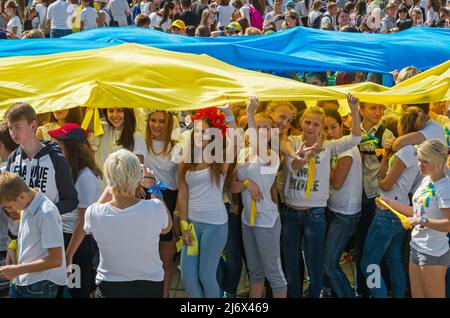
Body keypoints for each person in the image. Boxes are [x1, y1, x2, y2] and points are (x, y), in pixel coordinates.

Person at [281, 94, 362, 298]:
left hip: (315, 214)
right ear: (301, 122)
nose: (310, 127)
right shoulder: (291, 141)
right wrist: (305, 154)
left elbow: (355, 138)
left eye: (316, 124)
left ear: (321, 127)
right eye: (307, 122)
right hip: (290, 213)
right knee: (291, 267)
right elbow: (291, 166)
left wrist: (354, 110)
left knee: (315, 268)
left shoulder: (329, 146)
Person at [84, 149, 172, 298]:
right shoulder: (155, 207)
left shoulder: (94, 213)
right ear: (138, 177)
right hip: (149, 285)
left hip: (110, 286)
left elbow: (90, 225)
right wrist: (152, 185)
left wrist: (113, 182)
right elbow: (167, 228)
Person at [361, 107, 427, 298]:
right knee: (393, 258)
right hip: (400, 209)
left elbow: (386, 183)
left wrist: (381, 181)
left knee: (368, 263)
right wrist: (387, 157)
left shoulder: (405, 152)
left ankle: (379, 294)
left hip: (388, 209)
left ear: (401, 125)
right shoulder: (416, 151)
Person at [377, 139, 450, 298]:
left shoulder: (445, 187)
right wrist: (391, 204)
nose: (419, 165)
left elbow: (448, 225)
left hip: (434, 252)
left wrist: (420, 221)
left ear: (439, 162)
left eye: (425, 161)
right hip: (416, 247)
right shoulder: (426, 180)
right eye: (419, 159)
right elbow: (417, 212)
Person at [230, 97, 287, 298]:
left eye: (265, 128)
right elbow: (233, 186)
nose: (260, 131)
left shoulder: (272, 155)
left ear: (272, 133)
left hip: (266, 220)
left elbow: (257, 142)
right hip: (248, 220)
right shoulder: (243, 153)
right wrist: (246, 183)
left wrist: (251, 114)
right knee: (255, 273)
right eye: (256, 127)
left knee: (274, 273)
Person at [178, 107, 229, 298]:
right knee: (188, 277)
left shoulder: (221, 159)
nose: (200, 135)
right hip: (191, 225)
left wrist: (229, 113)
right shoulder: (185, 160)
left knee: (206, 276)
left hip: (215, 226)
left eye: (205, 132)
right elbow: (182, 194)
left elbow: (237, 140)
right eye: (197, 131)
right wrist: (184, 225)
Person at [47, 123, 103, 298]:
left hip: (76, 244)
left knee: (77, 291)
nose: (56, 147)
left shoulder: (85, 176)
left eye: (59, 144)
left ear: (71, 146)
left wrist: (68, 255)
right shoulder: (72, 170)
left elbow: (83, 221)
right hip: (64, 238)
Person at [0, 172, 67, 298]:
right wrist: (13, 247)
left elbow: (56, 260)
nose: (9, 211)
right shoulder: (26, 205)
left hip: (41, 286)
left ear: (21, 196)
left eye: (9, 206)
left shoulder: (46, 213)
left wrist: (17, 270)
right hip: (23, 281)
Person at [4, 103, 79, 216]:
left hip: (47, 231)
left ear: (33, 125)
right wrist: (9, 211)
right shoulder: (13, 158)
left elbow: (71, 201)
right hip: (17, 232)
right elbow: (7, 196)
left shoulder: (55, 158)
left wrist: (44, 213)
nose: (13, 133)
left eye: (17, 127)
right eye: (10, 128)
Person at [354, 99, 395, 298]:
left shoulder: (387, 134)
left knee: (375, 248)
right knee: (361, 244)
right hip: (355, 194)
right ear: (361, 109)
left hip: (376, 195)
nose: (378, 112)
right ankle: (363, 289)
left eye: (380, 108)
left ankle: (377, 289)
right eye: (373, 107)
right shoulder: (353, 131)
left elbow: (392, 168)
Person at [323, 108, 362, 298]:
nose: (329, 132)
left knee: (329, 264)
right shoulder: (335, 147)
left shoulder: (346, 149)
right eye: (325, 128)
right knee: (327, 261)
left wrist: (325, 161)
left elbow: (337, 182)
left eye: (333, 127)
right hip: (334, 209)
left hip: (344, 214)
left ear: (341, 127)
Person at [144, 110, 181, 298]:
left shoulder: (177, 147)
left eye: (162, 121)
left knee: (165, 259)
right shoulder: (141, 143)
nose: (156, 125)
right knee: (145, 258)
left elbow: (182, 183)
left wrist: (177, 212)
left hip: (169, 200)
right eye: (153, 120)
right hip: (144, 200)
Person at [90, 108, 149, 178]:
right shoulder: (105, 129)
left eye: (120, 110)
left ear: (128, 112)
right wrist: (92, 105)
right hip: (104, 187)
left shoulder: (137, 136)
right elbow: (89, 124)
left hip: (125, 187)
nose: (115, 115)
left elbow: (138, 171)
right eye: (111, 111)